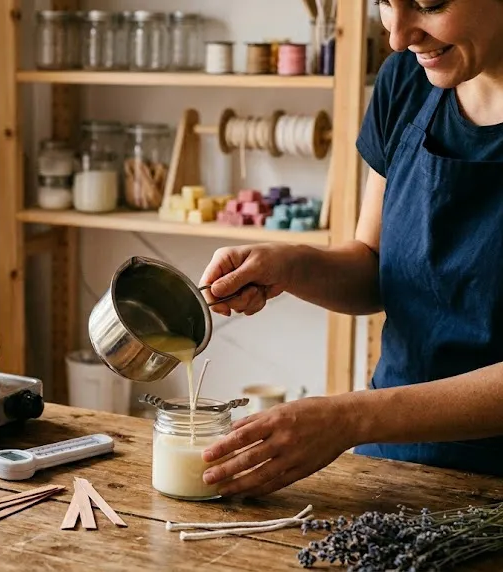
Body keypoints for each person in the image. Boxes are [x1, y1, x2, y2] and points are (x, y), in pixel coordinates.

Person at [197, 0, 503, 498]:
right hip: (389, 466)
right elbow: (375, 264)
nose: (399, 37)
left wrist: (349, 418)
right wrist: (289, 264)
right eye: (386, 2)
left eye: (429, 5)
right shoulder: (405, 82)